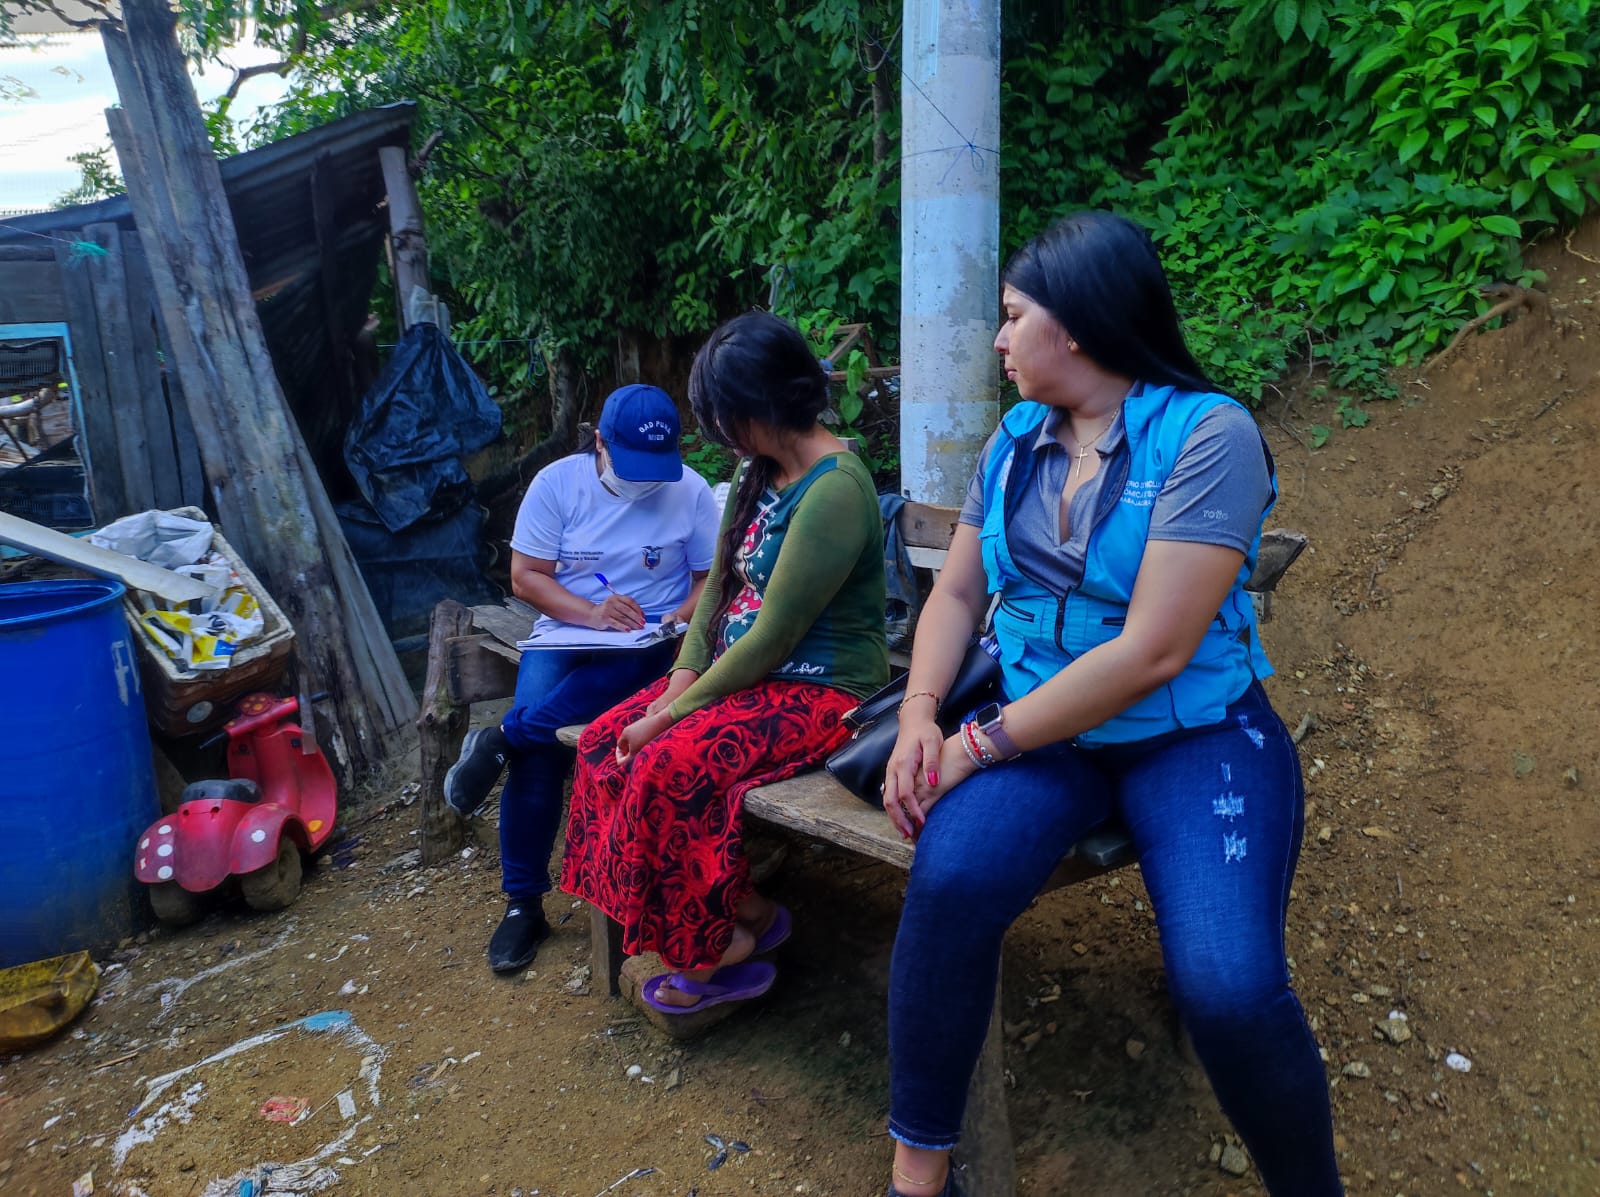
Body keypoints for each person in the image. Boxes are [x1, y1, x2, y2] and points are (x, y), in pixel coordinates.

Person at [878, 212, 1342, 1197]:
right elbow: (955, 592)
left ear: (1080, 324)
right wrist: (919, 713)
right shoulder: (1014, 439)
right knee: (950, 884)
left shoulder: (1206, 435)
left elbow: (1151, 652)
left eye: (1013, 317)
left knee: (1229, 985)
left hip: (1192, 735)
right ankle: (917, 1178)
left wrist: (974, 745)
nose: (998, 341)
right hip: (1047, 741)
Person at [561, 311, 889, 1014]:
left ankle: (713, 955)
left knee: (665, 764)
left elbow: (772, 637)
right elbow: (717, 589)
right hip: (741, 678)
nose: (715, 429)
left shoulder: (834, 489)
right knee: (600, 745)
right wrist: (678, 682)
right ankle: (753, 912)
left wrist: (670, 716)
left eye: (721, 413)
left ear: (761, 405)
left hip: (820, 691)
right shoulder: (755, 468)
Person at [444, 383, 719, 973]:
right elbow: (526, 576)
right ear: (600, 443)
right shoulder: (557, 486)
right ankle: (523, 905)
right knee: (541, 753)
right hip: (568, 631)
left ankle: (502, 738)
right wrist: (592, 614)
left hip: (652, 640)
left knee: (613, 682)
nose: (647, 481)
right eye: (633, 464)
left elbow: (708, 581)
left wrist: (674, 618)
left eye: (658, 466)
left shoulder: (691, 490)